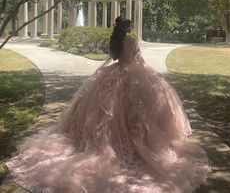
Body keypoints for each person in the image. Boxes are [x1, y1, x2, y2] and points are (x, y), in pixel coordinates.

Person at [7, 16, 210, 193]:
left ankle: (107, 141)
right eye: (129, 27)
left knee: (107, 113)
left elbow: (114, 57)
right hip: (134, 74)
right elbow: (137, 58)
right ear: (128, 29)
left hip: (114, 74)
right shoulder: (130, 40)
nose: (130, 30)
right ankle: (137, 142)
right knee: (137, 112)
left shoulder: (115, 41)